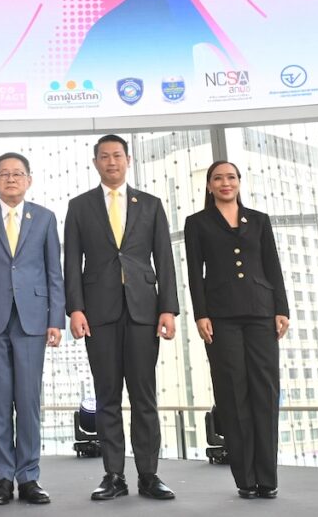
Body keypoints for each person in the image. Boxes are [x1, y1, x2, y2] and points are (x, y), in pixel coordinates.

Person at [64, 135, 178, 501]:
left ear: (128, 160)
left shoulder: (151, 204)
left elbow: (164, 258)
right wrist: (75, 308)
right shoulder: (79, 206)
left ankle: (149, 475)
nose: (111, 161)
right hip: (98, 312)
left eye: (117, 155)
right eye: (104, 156)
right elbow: (72, 262)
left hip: (144, 311)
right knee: (107, 396)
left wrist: (168, 308)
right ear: (95, 162)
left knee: (144, 396)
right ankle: (113, 475)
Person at [0, 152, 64, 505]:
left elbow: (54, 273)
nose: (10, 179)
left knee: (29, 401)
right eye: (4, 174)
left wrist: (56, 319)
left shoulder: (45, 218)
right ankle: (3, 478)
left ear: (29, 180)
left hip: (33, 319)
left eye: (17, 173)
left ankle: (29, 477)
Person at [184, 161, 290, 499]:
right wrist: (201, 314)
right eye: (218, 178)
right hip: (221, 316)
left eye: (231, 177)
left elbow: (272, 264)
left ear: (240, 182)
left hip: (261, 312)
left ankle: (267, 478)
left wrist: (282, 309)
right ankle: (245, 478)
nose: (225, 183)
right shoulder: (197, 223)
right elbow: (195, 273)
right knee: (232, 392)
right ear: (209, 186)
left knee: (265, 391)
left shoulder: (259, 220)